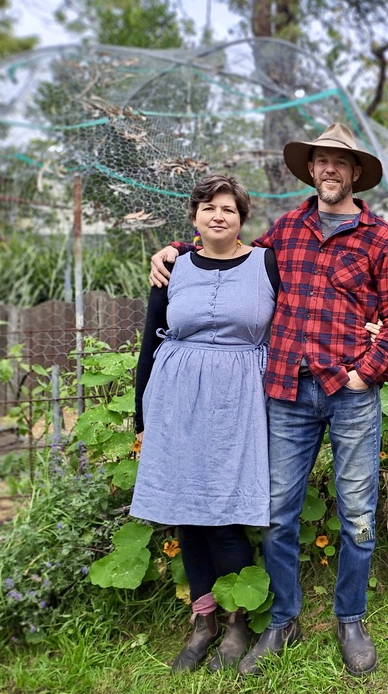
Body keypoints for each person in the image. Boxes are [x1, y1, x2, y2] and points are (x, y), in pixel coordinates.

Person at [149, 122, 388, 677]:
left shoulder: (381, 239)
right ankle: (284, 619)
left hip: (350, 393)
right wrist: (176, 249)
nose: (329, 170)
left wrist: (368, 373)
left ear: (356, 173)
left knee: (358, 516)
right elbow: (229, 253)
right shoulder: (286, 231)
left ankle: (351, 618)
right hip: (289, 390)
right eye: (321, 161)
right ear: (310, 169)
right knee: (275, 513)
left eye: (340, 163)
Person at [132, 174, 279, 673]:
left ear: (242, 219)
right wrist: (141, 417)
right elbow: (150, 344)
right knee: (185, 510)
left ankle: (238, 620)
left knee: (226, 510)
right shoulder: (172, 267)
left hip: (239, 399)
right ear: (194, 216)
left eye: (229, 210)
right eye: (209, 208)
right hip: (176, 399)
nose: (219, 216)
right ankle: (203, 622)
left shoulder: (267, 263)